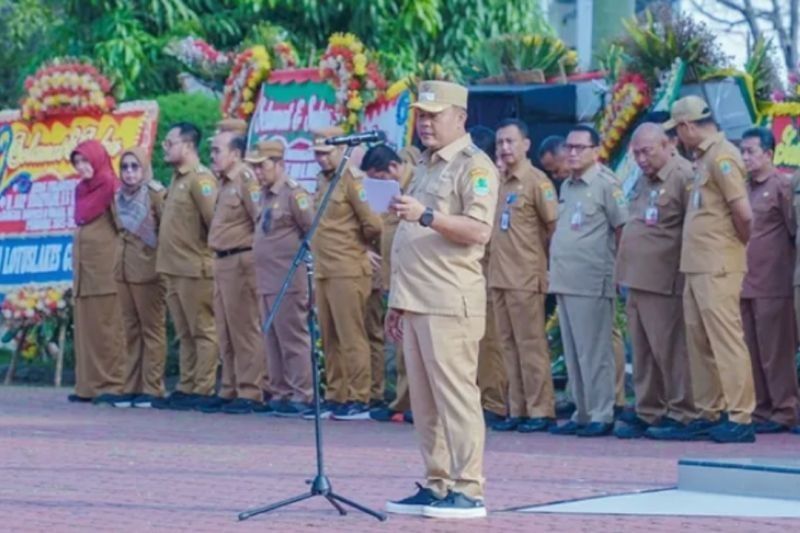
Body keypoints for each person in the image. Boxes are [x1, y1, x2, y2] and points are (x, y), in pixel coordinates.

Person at [384, 80, 498, 519]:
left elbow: (478, 231)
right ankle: (438, 482)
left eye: (433, 114)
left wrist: (427, 214)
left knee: (456, 398)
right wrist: (398, 300)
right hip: (416, 300)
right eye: (421, 114)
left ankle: (469, 488)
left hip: (450, 301)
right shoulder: (426, 165)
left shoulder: (475, 166)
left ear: (460, 118)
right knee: (425, 402)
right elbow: (409, 235)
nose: (425, 122)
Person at [655, 96, 756, 443]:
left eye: (677, 132)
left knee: (726, 341)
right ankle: (709, 410)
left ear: (686, 126)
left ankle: (740, 416)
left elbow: (743, 214)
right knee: (700, 342)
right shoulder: (703, 158)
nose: (677, 139)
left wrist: (735, 248)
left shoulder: (723, 156)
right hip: (697, 267)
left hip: (718, 265)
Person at [613, 123, 697, 439]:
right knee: (643, 352)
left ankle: (682, 411)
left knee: (670, 351)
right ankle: (650, 409)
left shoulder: (683, 176)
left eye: (647, 151)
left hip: (664, 282)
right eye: (636, 153)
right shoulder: (644, 180)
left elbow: (693, 230)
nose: (641, 159)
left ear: (668, 144)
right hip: (636, 280)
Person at [548, 125, 628, 437]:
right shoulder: (568, 185)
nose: (572, 153)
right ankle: (582, 411)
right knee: (574, 351)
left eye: (580, 147)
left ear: (596, 151)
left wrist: (619, 271)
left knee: (595, 351)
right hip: (566, 279)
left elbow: (622, 228)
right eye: (569, 147)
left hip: (593, 277)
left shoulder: (606, 184)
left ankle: (602, 412)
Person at [489, 118, 558, 433]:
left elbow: (552, 228)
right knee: (507, 345)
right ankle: (516, 407)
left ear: (526, 145)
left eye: (510, 142)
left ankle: (540, 409)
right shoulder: (498, 181)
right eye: (500, 142)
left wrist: (544, 268)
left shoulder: (536, 182)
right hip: (499, 277)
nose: (504, 148)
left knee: (530, 345)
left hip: (526, 276)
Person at [311, 126, 382, 420]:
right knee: (330, 336)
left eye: (326, 153)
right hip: (325, 270)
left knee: (351, 335)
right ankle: (336, 394)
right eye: (317, 154)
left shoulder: (352, 180)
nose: (321, 159)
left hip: (348, 268)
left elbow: (374, 223)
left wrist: (362, 246)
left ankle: (359, 396)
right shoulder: (321, 180)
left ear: (341, 150)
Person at [153, 122, 219, 410]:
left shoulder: (200, 180)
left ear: (188, 146)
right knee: (185, 333)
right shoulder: (176, 179)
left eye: (170, 143)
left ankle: (202, 388)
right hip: (173, 268)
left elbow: (214, 223)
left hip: (194, 268)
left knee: (203, 330)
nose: (165, 148)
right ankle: (187, 384)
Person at [202, 126, 267, 414]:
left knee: (245, 328)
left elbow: (260, 222)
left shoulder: (246, 179)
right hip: (222, 260)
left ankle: (251, 390)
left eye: (217, 150)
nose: (212, 155)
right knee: (225, 329)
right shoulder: (223, 181)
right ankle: (229, 387)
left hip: (241, 260)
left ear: (236, 153)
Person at [247, 140, 314, 416]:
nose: (258, 173)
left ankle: (303, 394)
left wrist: (312, 278)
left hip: (288, 280)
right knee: (272, 340)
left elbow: (312, 231)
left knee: (292, 339)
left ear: (279, 165)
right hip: (266, 280)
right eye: (254, 168)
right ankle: (281, 392)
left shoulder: (294, 195)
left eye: (262, 167)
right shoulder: (264, 195)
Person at [738, 127, 798, 433]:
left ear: (769, 154)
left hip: (774, 284)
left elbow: (793, 233)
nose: (745, 157)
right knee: (751, 350)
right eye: (743, 151)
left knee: (776, 352)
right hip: (744, 282)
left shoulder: (782, 187)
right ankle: (761, 409)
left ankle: (784, 409)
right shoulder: (742, 188)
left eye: (751, 151)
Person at [360, 144, 420, 423]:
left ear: (394, 169)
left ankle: (411, 403)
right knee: (399, 343)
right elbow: (380, 228)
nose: (376, 184)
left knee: (413, 346)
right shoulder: (388, 189)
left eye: (379, 177)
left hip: (417, 278)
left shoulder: (418, 184)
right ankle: (402, 401)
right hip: (394, 278)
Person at [69, 140, 126, 407]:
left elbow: (123, 228)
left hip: (106, 274)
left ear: (98, 159)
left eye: (86, 161)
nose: (82, 167)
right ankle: (88, 385)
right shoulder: (81, 191)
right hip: (85, 275)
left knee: (108, 331)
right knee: (86, 330)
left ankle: (113, 385)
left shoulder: (111, 187)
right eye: (77, 162)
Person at [114, 147, 167, 408]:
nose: (130, 172)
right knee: (130, 330)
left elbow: (167, 231)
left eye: (135, 166)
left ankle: (152, 387)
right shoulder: (118, 196)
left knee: (152, 330)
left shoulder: (156, 194)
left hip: (149, 270)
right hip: (123, 268)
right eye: (125, 167)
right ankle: (130, 386)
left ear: (144, 168)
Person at [469, 124, 509, 426]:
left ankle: (496, 402)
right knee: (479, 342)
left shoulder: (489, 178)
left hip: (498, 269)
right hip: (476, 269)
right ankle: (485, 398)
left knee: (494, 340)